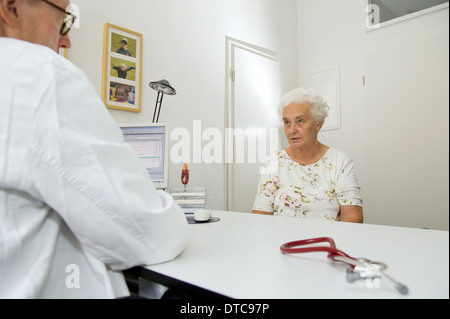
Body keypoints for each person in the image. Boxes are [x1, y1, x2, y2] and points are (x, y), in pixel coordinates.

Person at [0, 0, 189, 299]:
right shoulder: (37, 71)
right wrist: (169, 208)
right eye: (64, 21)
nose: (67, 39)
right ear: (11, 9)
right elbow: (152, 235)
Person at [252, 87, 363, 223]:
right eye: (287, 122)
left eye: (300, 121)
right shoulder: (273, 163)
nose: (292, 130)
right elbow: (260, 214)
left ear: (318, 124)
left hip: (325, 241)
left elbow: (352, 216)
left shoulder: (340, 161)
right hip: (282, 242)